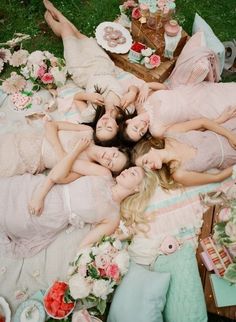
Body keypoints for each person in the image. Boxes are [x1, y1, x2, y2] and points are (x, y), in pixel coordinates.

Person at [0, 141, 158, 259]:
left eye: (133, 174)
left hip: (50, 217)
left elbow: (85, 245)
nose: (127, 171)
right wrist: (39, 196)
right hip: (44, 190)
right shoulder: (104, 174)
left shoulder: (112, 217)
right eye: (130, 168)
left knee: (10, 221)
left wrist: (120, 237)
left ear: (137, 188)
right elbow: (63, 165)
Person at [43, 0, 139, 145]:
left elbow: (76, 98)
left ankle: (49, 18)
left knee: (67, 33)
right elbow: (133, 87)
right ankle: (57, 13)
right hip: (103, 66)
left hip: (82, 71)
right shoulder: (125, 110)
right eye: (109, 127)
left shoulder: (90, 115)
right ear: (117, 127)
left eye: (100, 127)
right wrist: (133, 92)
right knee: (79, 35)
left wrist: (89, 96)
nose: (104, 122)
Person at [118, 32, 236, 143]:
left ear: (129, 121)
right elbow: (198, 126)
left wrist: (146, 85)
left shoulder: (140, 104)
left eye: (135, 127)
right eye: (141, 133)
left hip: (191, 89)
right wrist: (221, 120)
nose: (142, 127)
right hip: (202, 107)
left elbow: (165, 88)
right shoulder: (157, 131)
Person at [0, 120, 130, 178]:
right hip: (28, 138)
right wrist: (60, 152)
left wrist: (74, 152)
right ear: (114, 148)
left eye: (110, 163)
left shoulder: (87, 165)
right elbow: (51, 125)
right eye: (114, 155)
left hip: (29, 159)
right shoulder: (88, 131)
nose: (108, 157)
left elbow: (60, 174)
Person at [133, 117, 236, 186]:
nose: (149, 167)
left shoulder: (171, 133)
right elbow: (217, 178)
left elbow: (203, 122)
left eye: (145, 162)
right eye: (146, 169)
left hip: (229, 130)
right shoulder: (179, 174)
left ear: (150, 148)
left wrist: (230, 136)